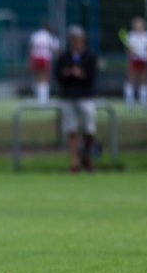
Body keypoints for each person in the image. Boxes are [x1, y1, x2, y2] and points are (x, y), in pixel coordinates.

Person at [56, 25, 99, 173]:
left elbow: (91, 76)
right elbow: (58, 76)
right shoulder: (64, 56)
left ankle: (86, 156)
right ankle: (74, 161)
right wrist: (68, 74)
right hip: (68, 96)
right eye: (73, 39)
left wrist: (80, 74)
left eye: (78, 39)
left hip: (85, 96)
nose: (75, 42)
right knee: (71, 129)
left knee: (89, 129)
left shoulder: (90, 56)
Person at [122, 16, 147, 111]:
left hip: (144, 61)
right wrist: (131, 52)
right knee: (131, 81)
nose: (138, 28)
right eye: (137, 26)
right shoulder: (130, 36)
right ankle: (129, 104)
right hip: (133, 61)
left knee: (144, 82)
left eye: (140, 26)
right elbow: (127, 50)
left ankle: (144, 104)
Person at [28, 21, 58, 105]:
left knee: (37, 78)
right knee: (44, 78)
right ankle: (42, 100)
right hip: (44, 58)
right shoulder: (50, 36)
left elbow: (30, 48)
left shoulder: (35, 35)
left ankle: (38, 97)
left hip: (35, 58)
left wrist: (29, 60)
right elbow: (55, 49)